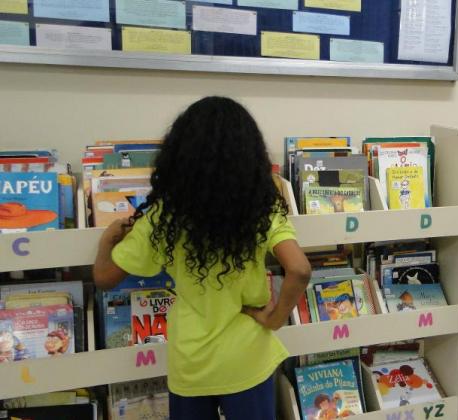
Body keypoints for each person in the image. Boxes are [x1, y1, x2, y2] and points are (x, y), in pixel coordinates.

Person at [93, 96, 312, 420]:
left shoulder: (163, 216)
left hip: (191, 360)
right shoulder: (261, 210)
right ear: (249, 155)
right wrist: (276, 318)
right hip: (247, 355)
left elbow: (104, 279)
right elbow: (299, 269)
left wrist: (106, 240)